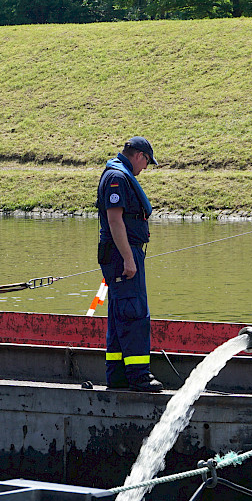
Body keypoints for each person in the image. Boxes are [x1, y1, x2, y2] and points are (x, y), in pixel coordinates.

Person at [98, 136, 162, 392]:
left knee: (118, 315)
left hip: (123, 254)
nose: (145, 168)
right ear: (138, 156)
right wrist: (127, 258)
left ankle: (117, 375)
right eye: (146, 162)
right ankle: (138, 375)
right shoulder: (118, 178)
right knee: (134, 313)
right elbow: (115, 220)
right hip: (123, 256)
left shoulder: (119, 175)